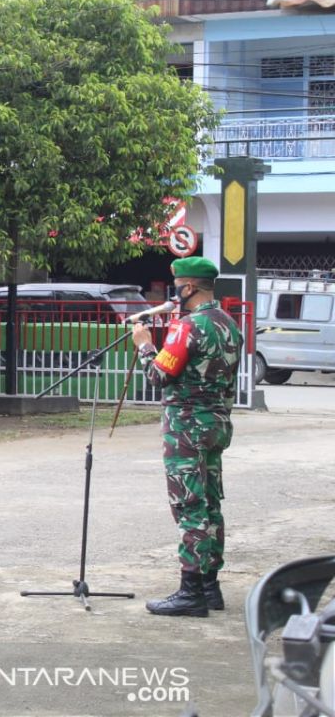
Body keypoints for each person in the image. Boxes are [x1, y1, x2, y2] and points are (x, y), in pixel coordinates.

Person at [131, 256, 243, 618]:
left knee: (189, 505)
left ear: (189, 287)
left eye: (175, 285)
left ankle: (191, 590)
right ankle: (210, 587)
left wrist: (144, 343)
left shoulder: (185, 327)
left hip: (186, 428)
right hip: (216, 424)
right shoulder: (229, 324)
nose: (172, 290)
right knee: (210, 503)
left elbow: (157, 377)